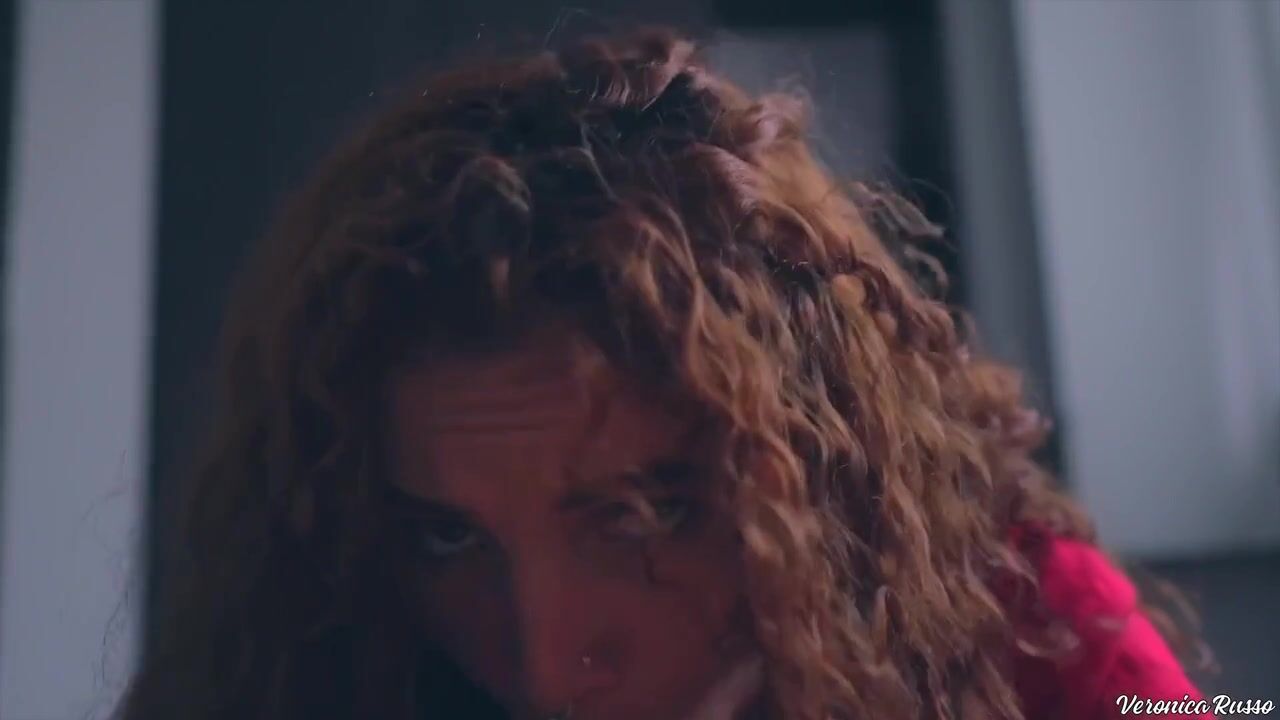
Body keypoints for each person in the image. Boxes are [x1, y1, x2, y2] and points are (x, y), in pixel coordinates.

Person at [113, 28, 1213, 720]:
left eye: (642, 513)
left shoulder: (1023, 618)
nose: (549, 664)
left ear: (814, 474)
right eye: (446, 538)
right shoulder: (327, 658)